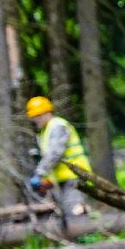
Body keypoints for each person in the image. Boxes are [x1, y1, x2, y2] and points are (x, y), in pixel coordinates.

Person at [25, 96, 91, 230]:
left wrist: (39, 173)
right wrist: (47, 180)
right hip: (64, 179)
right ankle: (78, 240)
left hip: (75, 177)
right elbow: (52, 159)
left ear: (47, 112)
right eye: (34, 117)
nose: (35, 120)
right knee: (68, 216)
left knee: (76, 215)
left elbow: (54, 154)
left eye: (38, 116)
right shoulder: (45, 131)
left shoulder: (57, 126)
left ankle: (86, 239)